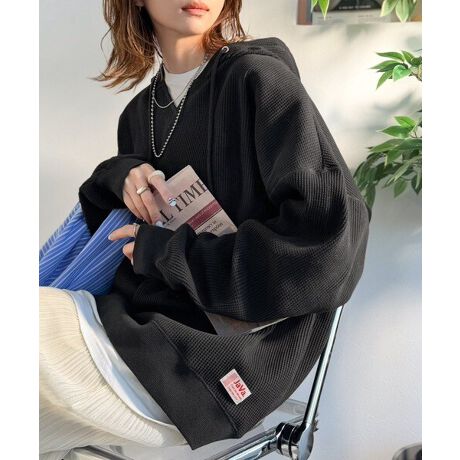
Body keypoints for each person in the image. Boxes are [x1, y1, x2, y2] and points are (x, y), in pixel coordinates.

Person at [39, 0, 372, 458]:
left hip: (213, 361)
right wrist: (120, 174)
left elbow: (330, 247)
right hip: (128, 324)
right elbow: (117, 242)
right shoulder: (139, 114)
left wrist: (168, 253)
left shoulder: (258, 80)